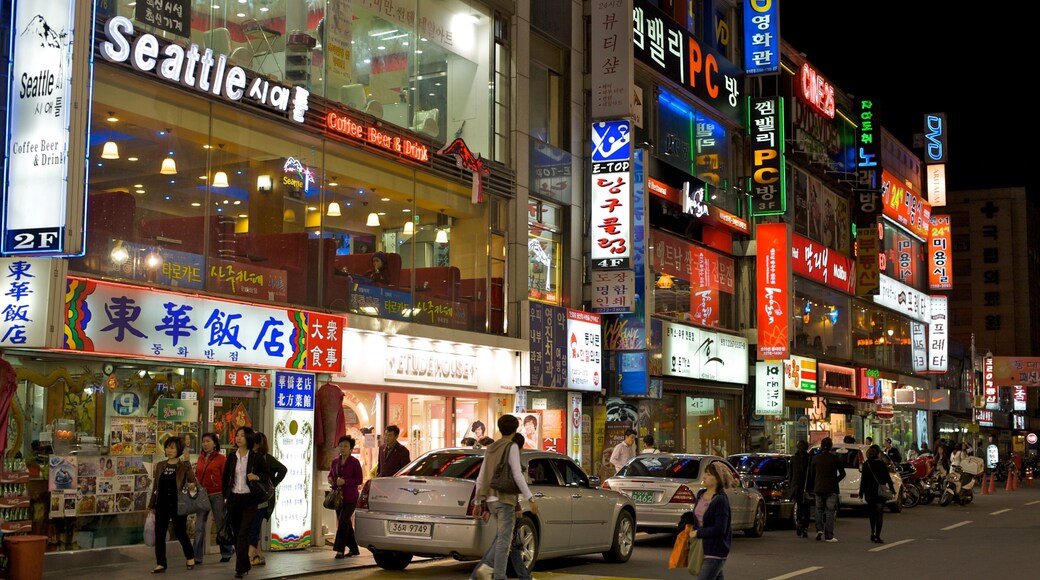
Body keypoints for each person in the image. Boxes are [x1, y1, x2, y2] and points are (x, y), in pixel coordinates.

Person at [472, 415, 539, 580]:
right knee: (504, 541)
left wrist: (478, 502)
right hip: (505, 498)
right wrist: (530, 499)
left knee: (503, 538)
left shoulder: (491, 447)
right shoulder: (512, 447)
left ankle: (485, 569)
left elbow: (481, 477)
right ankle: (498, 576)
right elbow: (517, 474)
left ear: (499, 428)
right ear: (516, 429)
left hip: (490, 500)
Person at [222, 426, 272, 579]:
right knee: (237, 534)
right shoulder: (231, 457)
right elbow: (225, 478)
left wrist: (255, 477)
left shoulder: (256, 457)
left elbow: (265, 474)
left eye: (242, 436)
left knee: (244, 533)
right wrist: (226, 496)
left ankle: (239, 569)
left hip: (250, 500)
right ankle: (244, 564)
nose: (238, 438)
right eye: (237, 435)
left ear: (248, 439)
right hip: (235, 499)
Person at [148, 436, 198, 573]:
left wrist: (188, 463)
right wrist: (151, 505)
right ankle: (161, 563)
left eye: (172, 447)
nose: (169, 450)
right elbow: (155, 486)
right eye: (167, 447)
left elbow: (193, 482)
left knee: (180, 532)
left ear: (179, 449)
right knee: (159, 534)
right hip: (161, 504)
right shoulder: (160, 465)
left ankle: (190, 556)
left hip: (178, 504)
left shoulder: (183, 466)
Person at [686, 462, 732, 580]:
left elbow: (720, 529)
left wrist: (698, 533)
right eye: (705, 473)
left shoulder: (720, 500)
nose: (704, 477)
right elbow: (698, 518)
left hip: (715, 550)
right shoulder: (700, 495)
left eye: (709, 474)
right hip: (701, 548)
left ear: (718, 479)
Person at [247, 432, 287, 567]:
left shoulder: (265, 459)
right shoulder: (251, 457)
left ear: (257, 443)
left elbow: (283, 469)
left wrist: (272, 484)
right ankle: (259, 556)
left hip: (261, 499)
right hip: (252, 498)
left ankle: (249, 555)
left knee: (254, 527)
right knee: (254, 527)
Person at [193, 432, 233, 564]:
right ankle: (197, 556)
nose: (205, 444)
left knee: (220, 524)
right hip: (202, 496)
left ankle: (227, 551)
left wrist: (226, 495)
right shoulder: (200, 458)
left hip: (217, 495)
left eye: (208, 441)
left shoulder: (221, 459)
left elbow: (226, 477)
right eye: (203, 441)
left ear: (214, 443)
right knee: (199, 526)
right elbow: (197, 475)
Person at [328, 435, 363, 559]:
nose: (342, 448)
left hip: (351, 497)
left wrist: (345, 481)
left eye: (346, 446)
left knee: (342, 521)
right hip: (338, 498)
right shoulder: (335, 462)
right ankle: (354, 548)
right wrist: (331, 480)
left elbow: (359, 479)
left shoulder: (354, 462)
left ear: (351, 449)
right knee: (345, 522)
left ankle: (340, 550)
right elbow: (330, 475)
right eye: (341, 446)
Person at [806, 437, 845, 542]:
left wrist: (815, 483)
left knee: (819, 510)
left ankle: (819, 530)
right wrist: (835, 480)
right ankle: (829, 535)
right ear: (831, 446)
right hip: (832, 488)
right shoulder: (835, 459)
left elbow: (811, 475)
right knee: (829, 512)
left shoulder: (815, 459)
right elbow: (842, 474)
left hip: (818, 487)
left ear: (821, 446)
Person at [860, 444, 895, 544]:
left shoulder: (866, 464)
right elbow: (888, 478)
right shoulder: (882, 464)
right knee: (879, 514)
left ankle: (872, 532)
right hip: (880, 492)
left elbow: (863, 480)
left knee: (872, 514)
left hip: (869, 492)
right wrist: (892, 489)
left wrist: (861, 492)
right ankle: (878, 535)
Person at [787, 439, 811, 538]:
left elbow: (790, 475)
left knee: (799, 506)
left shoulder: (793, 459)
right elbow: (811, 474)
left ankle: (799, 523)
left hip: (796, 487)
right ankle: (805, 526)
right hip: (807, 486)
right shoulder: (810, 458)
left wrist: (790, 487)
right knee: (807, 507)